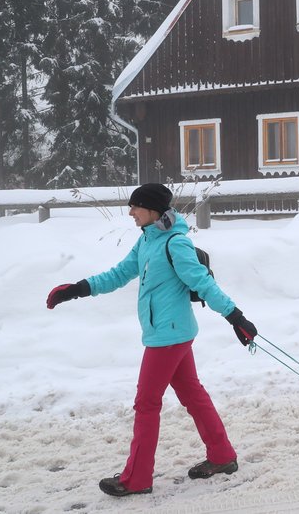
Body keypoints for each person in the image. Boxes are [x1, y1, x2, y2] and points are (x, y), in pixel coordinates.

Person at [46, 182, 258, 497]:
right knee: (193, 395)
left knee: (146, 403)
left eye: (135, 206)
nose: (130, 212)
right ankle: (222, 456)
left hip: (168, 337)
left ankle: (137, 478)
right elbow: (118, 274)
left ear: (152, 209)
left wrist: (235, 317)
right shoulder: (147, 239)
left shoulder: (175, 243)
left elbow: (202, 283)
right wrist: (77, 289)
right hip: (170, 334)